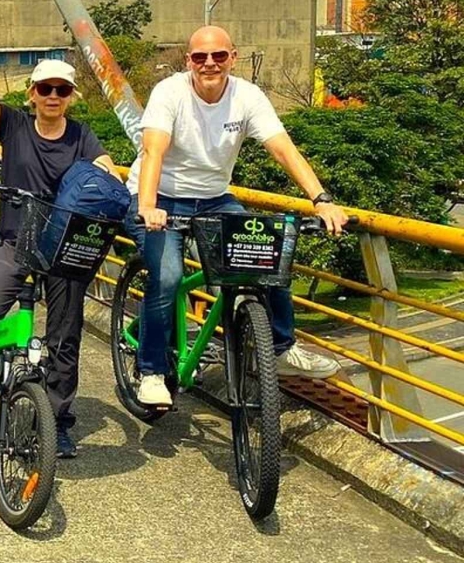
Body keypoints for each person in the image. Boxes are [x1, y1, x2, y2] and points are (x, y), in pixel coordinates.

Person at [0, 0, 118, 459]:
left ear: (70, 96)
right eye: (45, 89)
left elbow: (106, 170)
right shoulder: (13, 125)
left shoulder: (82, 136)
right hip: (17, 240)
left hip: (64, 248)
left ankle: (59, 421)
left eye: (61, 90)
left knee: (65, 339)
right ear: (32, 93)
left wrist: (115, 187)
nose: (53, 96)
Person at [126, 25, 347, 408]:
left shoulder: (246, 96)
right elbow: (153, 151)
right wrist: (147, 206)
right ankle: (151, 371)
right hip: (161, 197)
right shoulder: (169, 92)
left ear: (233, 57)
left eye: (218, 56)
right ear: (188, 61)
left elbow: (283, 149)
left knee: (267, 256)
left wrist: (321, 199)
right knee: (168, 277)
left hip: (214, 199)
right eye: (200, 57)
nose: (209, 64)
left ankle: (280, 348)